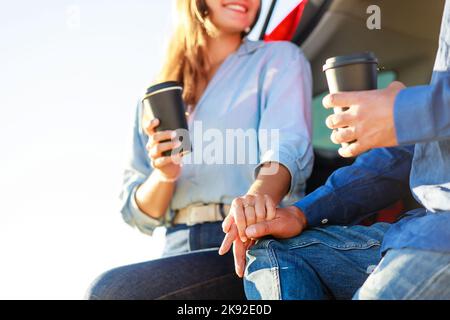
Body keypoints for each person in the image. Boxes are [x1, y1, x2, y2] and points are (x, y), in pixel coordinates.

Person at [221, 0, 450, 300]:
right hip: (416, 230)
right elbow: (407, 154)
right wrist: (300, 214)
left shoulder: (281, 59)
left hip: (440, 234)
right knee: (271, 250)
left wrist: (405, 111)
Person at [86, 0, 313, 300]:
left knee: (111, 293)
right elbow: (138, 212)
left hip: (248, 240)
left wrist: (256, 198)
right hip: (176, 247)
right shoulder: (155, 94)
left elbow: (285, 146)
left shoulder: (279, 59)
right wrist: (165, 174)